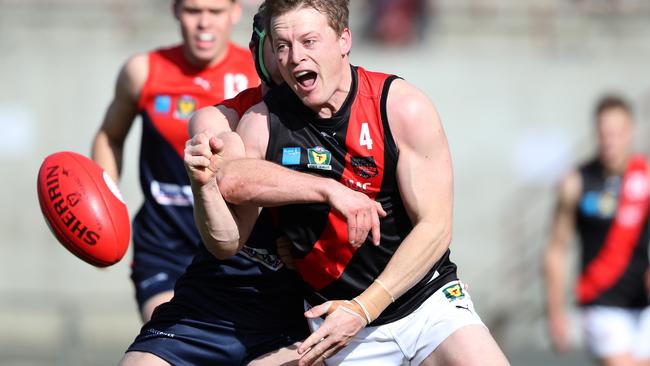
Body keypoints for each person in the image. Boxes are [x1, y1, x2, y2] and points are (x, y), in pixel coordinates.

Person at [186, 0, 511, 364]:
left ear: (344, 40)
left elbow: (435, 227)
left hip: (425, 303)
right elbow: (232, 187)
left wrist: (363, 308)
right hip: (336, 320)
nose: (295, 57)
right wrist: (330, 190)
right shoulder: (262, 122)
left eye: (309, 42)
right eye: (282, 46)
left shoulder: (400, 105)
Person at [120, 5, 313, 365]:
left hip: (292, 297)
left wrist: (309, 236)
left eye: (214, 9)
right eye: (281, 45)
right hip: (176, 246)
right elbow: (110, 136)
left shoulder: (352, 111)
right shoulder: (154, 76)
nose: (293, 57)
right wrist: (109, 199)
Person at [91, 0, 259, 322]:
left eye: (215, 12)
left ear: (235, 12)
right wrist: (106, 205)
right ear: (176, 11)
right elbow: (109, 136)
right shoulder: (143, 71)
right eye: (193, 11)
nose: (204, 23)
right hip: (162, 246)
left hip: (236, 242)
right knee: (169, 333)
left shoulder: (256, 74)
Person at [544, 95, 650, 366]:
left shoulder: (645, 177)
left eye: (617, 133)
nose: (610, 141)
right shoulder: (576, 182)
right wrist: (556, 312)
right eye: (604, 133)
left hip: (643, 301)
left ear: (630, 132)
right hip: (600, 300)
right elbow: (557, 249)